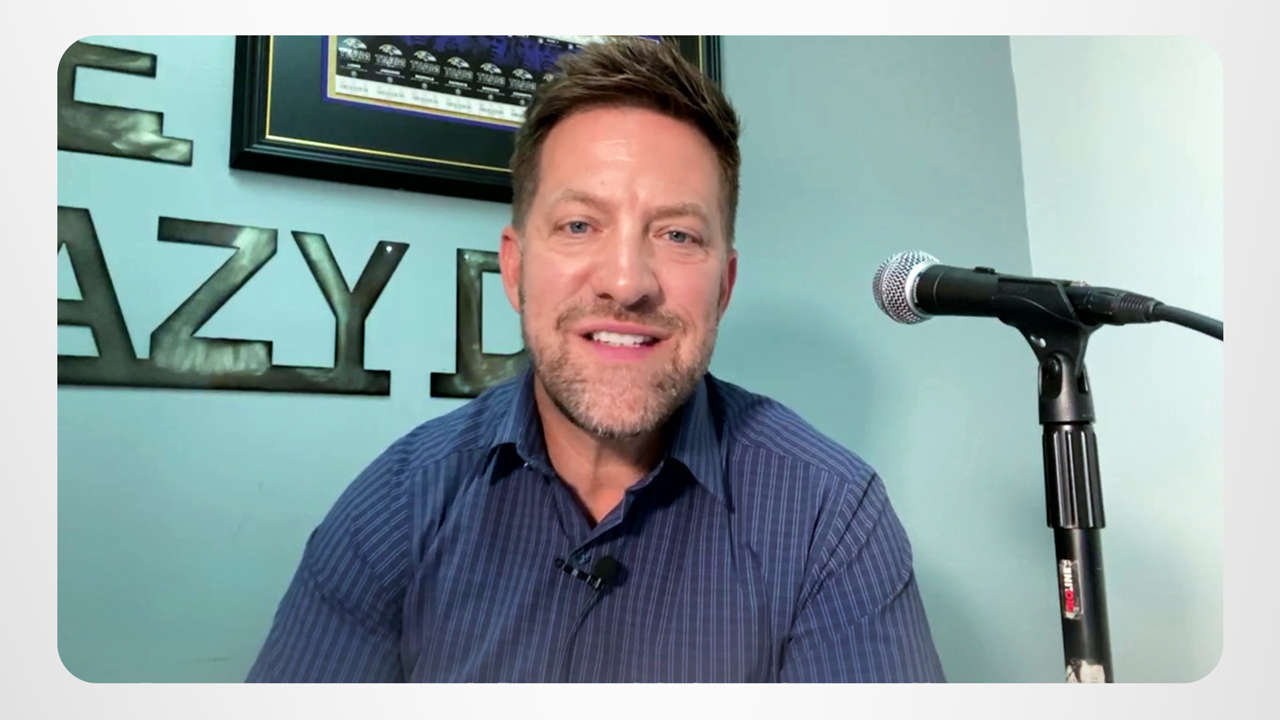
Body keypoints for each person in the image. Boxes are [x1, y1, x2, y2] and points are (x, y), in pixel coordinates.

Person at [248, 37, 945, 683]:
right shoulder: (397, 505)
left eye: (678, 234)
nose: (626, 281)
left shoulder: (830, 517)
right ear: (514, 269)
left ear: (724, 287)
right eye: (580, 225)